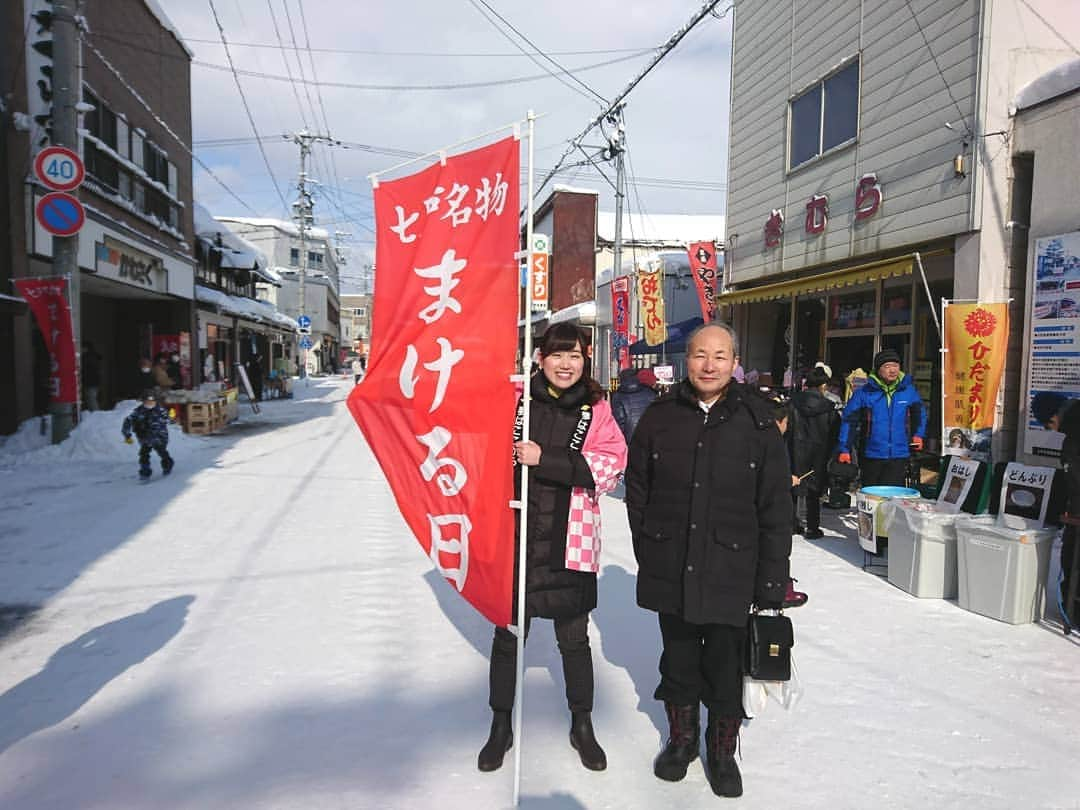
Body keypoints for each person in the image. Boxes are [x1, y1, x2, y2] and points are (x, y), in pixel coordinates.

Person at [624, 322, 792, 798]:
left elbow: (776, 507)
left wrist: (772, 578)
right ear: (686, 359)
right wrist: (650, 544)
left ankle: (721, 749)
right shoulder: (660, 417)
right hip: (671, 562)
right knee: (677, 660)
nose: (710, 365)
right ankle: (681, 742)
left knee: (724, 664)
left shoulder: (759, 421)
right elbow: (637, 489)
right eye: (701, 355)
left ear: (734, 362)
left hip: (731, 567)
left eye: (720, 356)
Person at [478, 323, 627, 774]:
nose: (566, 364)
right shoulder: (515, 398)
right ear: (539, 356)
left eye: (575, 356)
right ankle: (500, 724)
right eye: (557, 355)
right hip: (515, 531)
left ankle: (582, 723)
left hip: (571, 536)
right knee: (507, 637)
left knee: (574, 640)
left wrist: (548, 459)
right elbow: (481, 448)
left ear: (586, 361)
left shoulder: (596, 408)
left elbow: (612, 464)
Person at [836, 349, 927, 487]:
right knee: (872, 497)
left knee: (894, 499)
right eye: (887, 366)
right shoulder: (864, 393)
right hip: (871, 454)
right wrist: (844, 449)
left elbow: (920, 414)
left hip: (899, 454)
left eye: (895, 365)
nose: (892, 370)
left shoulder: (908, 391)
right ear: (878, 369)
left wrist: (918, 435)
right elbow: (849, 422)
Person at [1032, 392, 1080, 627]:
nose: (1052, 430)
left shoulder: (1074, 434)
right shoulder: (1071, 430)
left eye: (1049, 424)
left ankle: (1075, 613)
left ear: (1056, 414)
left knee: (1072, 558)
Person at [791, 367, 841, 539]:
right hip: (820, 450)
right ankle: (812, 527)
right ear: (823, 386)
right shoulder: (829, 408)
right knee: (814, 489)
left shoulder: (793, 402)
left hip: (795, 447)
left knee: (794, 484)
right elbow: (835, 433)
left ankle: (792, 523)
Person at [772, 398, 809, 608]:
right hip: (772, 506)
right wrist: (788, 480)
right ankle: (781, 589)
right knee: (776, 549)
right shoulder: (772, 443)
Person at [122, 390, 174, 479]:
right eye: (147, 402)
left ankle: (167, 465)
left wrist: (172, 416)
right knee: (144, 454)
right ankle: (145, 471)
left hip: (159, 437)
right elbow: (128, 421)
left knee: (162, 452)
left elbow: (169, 420)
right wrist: (127, 434)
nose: (150, 404)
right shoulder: (138, 412)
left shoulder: (160, 411)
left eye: (152, 402)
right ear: (143, 402)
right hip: (145, 437)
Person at [611, 367, 658, 444]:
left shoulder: (618, 397)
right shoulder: (650, 393)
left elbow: (618, 425)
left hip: (629, 444)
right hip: (649, 442)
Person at [82, 341, 102, 411]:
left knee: (91, 399)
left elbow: (87, 370)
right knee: (91, 399)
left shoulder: (88, 358)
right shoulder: (94, 357)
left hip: (90, 382)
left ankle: (96, 415)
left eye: (83, 348)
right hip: (94, 382)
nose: (81, 349)